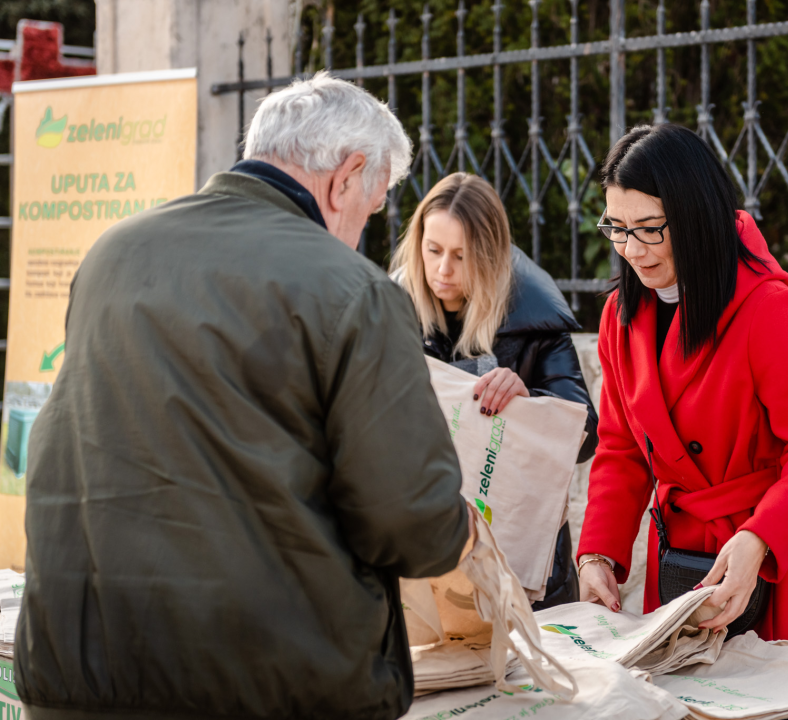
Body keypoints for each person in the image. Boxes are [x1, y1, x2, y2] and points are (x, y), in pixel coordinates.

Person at [16, 72, 473, 720]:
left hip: (78, 678)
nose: (359, 236)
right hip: (269, 686)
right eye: (368, 210)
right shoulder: (354, 292)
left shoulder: (111, 254)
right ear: (347, 177)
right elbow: (411, 522)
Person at [576, 124, 788, 666]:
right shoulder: (620, 316)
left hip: (777, 561)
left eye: (648, 228)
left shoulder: (769, 311)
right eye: (616, 228)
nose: (631, 250)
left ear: (692, 216)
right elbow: (621, 449)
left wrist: (760, 539)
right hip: (682, 562)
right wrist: (598, 554)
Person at [391, 172, 599, 611]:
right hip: (419, 562)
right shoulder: (389, 309)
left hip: (522, 574)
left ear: (489, 256)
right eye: (433, 250)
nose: (442, 270)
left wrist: (529, 399)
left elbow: (585, 435)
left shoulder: (535, 315)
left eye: (461, 256)